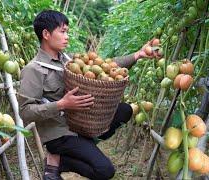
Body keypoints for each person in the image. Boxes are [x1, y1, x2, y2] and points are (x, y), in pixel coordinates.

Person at [18, 10, 159, 180]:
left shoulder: (67, 60)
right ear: (46, 34)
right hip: (60, 134)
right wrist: (62, 104)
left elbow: (106, 66)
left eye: (67, 32)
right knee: (105, 171)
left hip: (79, 125)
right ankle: (59, 160)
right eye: (62, 32)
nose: (67, 36)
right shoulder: (33, 70)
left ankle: (76, 150)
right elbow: (25, 112)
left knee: (124, 110)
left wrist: (138, 55)